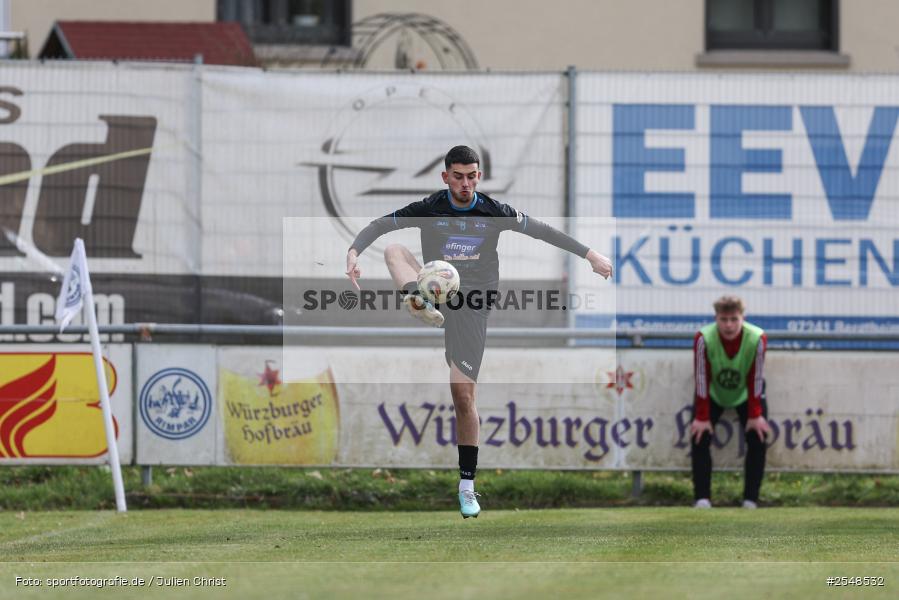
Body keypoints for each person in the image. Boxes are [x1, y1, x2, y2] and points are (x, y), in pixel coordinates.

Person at [345, 145, 612, 518]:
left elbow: (542, 231)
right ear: (446, 177)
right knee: (393, 248)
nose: (466, 184)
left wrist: (591, 255)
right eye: (458, 176)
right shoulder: (430, 206)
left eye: (472, 176)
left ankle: (467, 486)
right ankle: (419, 302)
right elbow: (379, 225)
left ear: (478, 176)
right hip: (438, 292)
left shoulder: (492, 211)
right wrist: (354, 253)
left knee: (462, 394)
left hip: (472, 306)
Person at [690, 295, 771, 509]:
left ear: (742, 318)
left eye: (734, 319)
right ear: (716, 318)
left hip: (748, 392)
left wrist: (755, 414)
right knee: (699, 435)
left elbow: (757, 377)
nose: (728, 325)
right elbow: (700, 377)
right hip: (712, 392)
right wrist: (702, 416)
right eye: (723, 319)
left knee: (758, 436)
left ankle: (750, 500)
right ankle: (702, 499)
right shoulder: (703, 338)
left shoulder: (757, 337)